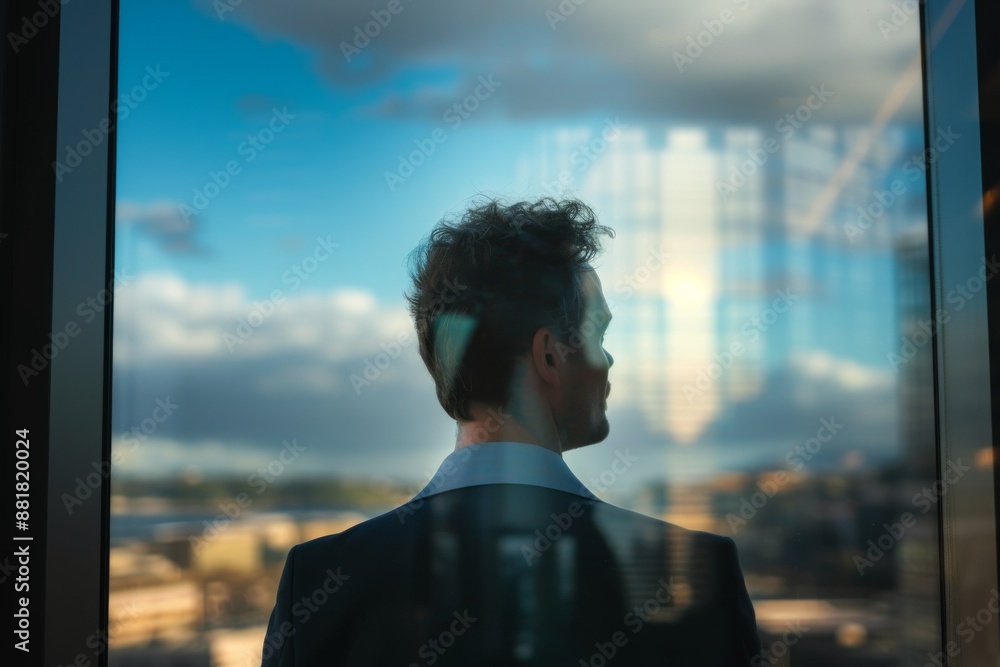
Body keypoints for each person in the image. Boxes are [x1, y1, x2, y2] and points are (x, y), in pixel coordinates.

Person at [260, 197, 762, 665]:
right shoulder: (695, 577)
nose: (608, 361)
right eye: (599, 335)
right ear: (548, 354)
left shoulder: (320, 579)